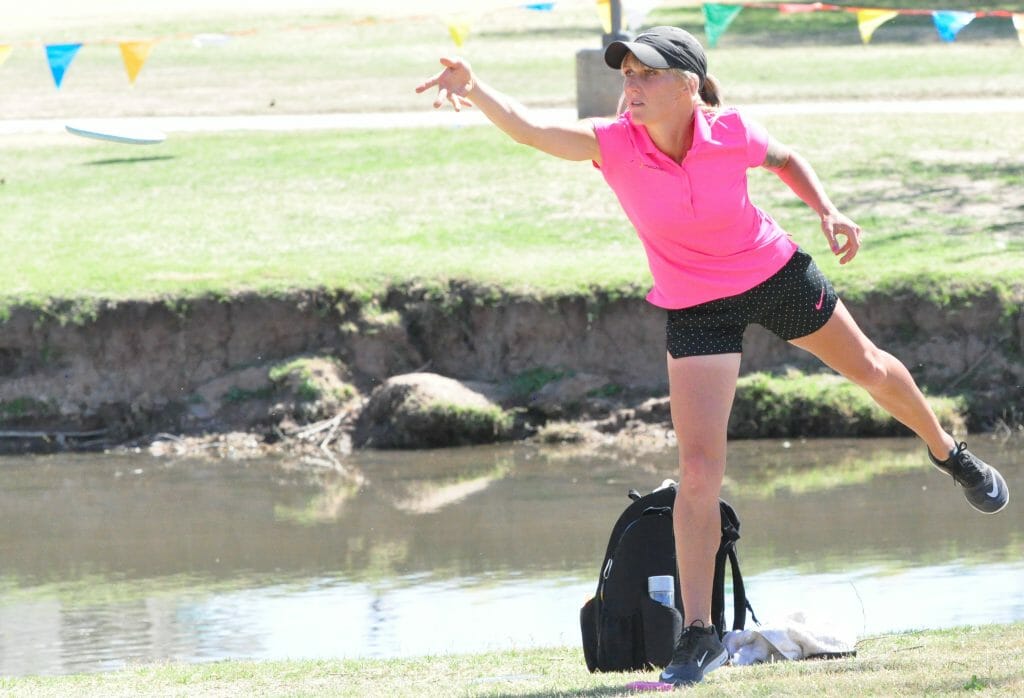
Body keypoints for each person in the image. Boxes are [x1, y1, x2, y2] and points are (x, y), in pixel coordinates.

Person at [416, 25, 1010, 686]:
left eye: (646, 75)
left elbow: (784, 159)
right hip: (696, 305)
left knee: (868, 367)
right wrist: (476, 88)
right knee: (698, 471)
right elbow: (531, 130)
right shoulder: (611, 143)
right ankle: (698, 634)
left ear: (687, 85)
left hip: (774, 275)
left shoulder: (731, 132)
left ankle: (948, 453)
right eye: (627, 75)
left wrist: (829, 211)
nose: (630, 87)